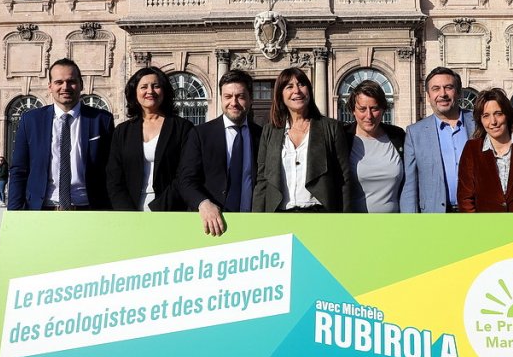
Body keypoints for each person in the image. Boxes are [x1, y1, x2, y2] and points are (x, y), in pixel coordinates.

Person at [8, 58, 114, 211]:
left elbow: (111, 170)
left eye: (71, 81)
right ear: (50, 86)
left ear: (81, 84)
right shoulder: (30, 121)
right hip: (42, 209)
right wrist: (14, 213)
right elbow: (19, 170)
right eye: (59, 82)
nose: (65, 87)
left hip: (89, 209)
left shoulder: (102, 120)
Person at [253, 67, 352, 213]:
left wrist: (345, 219)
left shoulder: (331, 128)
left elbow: (344, 178)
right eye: (289, 86)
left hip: (320, 214)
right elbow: (262, 180)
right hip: (279, 215)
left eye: (301, 84)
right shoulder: (269, 131)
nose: (297, 91)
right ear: (281, 94)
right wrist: (257, 218)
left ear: (309, 91)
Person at [178, 70, 262, 235]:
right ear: (221, 98)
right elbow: (185, 180)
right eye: (228, 96)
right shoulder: (200, 134)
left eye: (240, 96)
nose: (234, 102)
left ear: (250, 99)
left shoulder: (262, 135)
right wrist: (203, 203)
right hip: (211, 225)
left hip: (252, 225)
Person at [106, 67, 194, 212]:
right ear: (135, 92)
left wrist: (160, 207)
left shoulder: (182, 128)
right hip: (129, 210)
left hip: (170, 209)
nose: (150, 91)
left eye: (156, 86)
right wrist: (126, 210)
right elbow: (114, 176)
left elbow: (184, 173)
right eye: (144, 87)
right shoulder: (122, 131)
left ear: (164, 91)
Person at [400, 67, 476, 213]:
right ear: (428, 96)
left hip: (476, 213)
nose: (443, 94)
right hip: (434, 216)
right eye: (436, 89)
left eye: (448, 87)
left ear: (458, 92)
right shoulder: (415, 133)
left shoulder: (478, 123)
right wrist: (409, 223)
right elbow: (410, 185)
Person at [342, 79, 405, 212]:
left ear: (383, 109)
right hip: (353, 226)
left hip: (395, 225)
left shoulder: (398, 136)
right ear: (353, 110)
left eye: (374, 108)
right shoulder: (343, 138)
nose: (369, 115)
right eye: (362, 109)